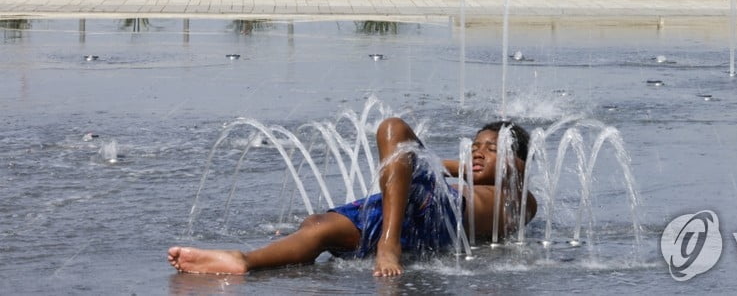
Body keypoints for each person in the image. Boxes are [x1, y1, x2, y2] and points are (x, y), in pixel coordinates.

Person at [168, 117, 537, 277]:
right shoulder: (466, 179)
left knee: (393, 129)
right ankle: (243, 260)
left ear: (517, 160)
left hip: (434, 217)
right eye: (474, 146)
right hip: (406, 213)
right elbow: (422, 162)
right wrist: (466, 162)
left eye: (491, 149)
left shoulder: (518, 199)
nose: (477, 153)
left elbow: (506, 172)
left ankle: (387, 244)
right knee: (319, 227)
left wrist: (489, 163)